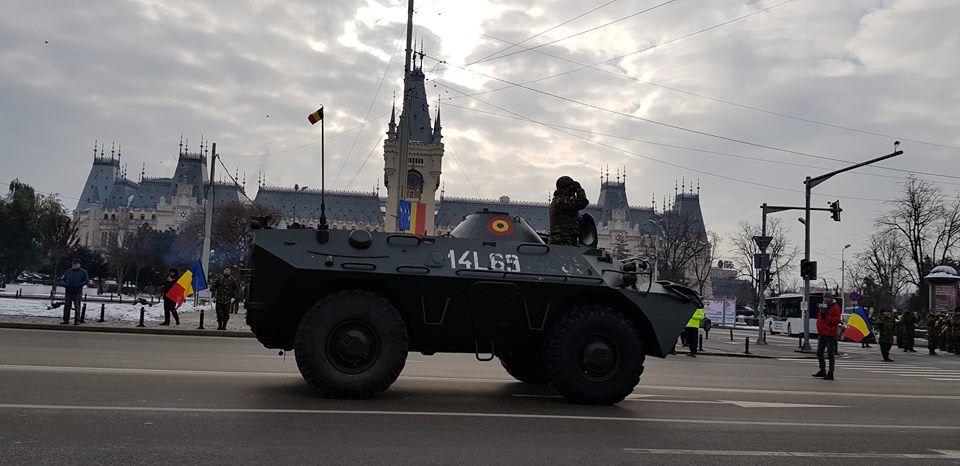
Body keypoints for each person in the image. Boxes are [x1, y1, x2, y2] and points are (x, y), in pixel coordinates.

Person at [548, 176, 589, 246]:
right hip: (565, 241)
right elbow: (583, 202)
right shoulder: (564, 201)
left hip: (560, 240)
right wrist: (579, 189)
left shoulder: (557, 200)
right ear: (568, 188)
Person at [813, 293, 841, 380]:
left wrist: (827, 317)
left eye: (828, 297)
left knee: (830, 354)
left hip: (830, 334)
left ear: (831, 298)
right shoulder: (823, 307)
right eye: (825, 297)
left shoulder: (835, 307)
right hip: (822, 333)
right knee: (819, 352)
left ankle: (831, 372)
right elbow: (820, 319)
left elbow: (836, 320)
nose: (826, 299)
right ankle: (822, 370)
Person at [211, 266, 240, 330]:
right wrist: (210, 288)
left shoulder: (233, 280)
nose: (227, 271)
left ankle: (224, 325)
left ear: (230, 272)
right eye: (226, 270)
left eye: (228, 270)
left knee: (226, 314)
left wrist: (235, 297)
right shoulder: (219, 279)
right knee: (219, 314)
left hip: (227, 300)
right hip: (219, 299)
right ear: (223, 271)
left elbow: (236, 289)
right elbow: (214, 286)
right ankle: (219, 325)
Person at [61, 258, 89, 325]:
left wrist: (79, 285)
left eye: (75, 264)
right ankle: (66, 320)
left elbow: (86, 281)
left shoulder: (83, 272)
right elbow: (63, 279)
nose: (74, 265)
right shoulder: (68, 271)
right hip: (68, 291)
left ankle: (77, 320)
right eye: (73, 264)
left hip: (77, 292)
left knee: (77, 307)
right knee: (67, 306)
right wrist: (64, 284)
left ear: (79, 264)